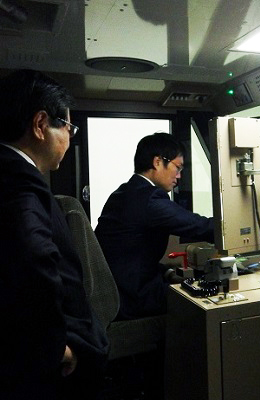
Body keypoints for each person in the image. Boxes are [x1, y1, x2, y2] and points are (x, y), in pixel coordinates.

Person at [0, 69, 109, 400]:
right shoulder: (21, 184)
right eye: (68, 127)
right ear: (40, 124)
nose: (70, 137)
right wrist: (55, 346)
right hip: (42, 365)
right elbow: (33, 262)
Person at [95, 132, 214, 321]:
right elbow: (199, 226)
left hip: (117, 294)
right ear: (158, 162)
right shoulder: (150, 198)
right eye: (177, 167)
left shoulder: (122, 193)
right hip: (135, 298)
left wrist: (166, 272)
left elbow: (129, 255)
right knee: (206, 305)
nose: (179, 176)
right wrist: (243, 230)